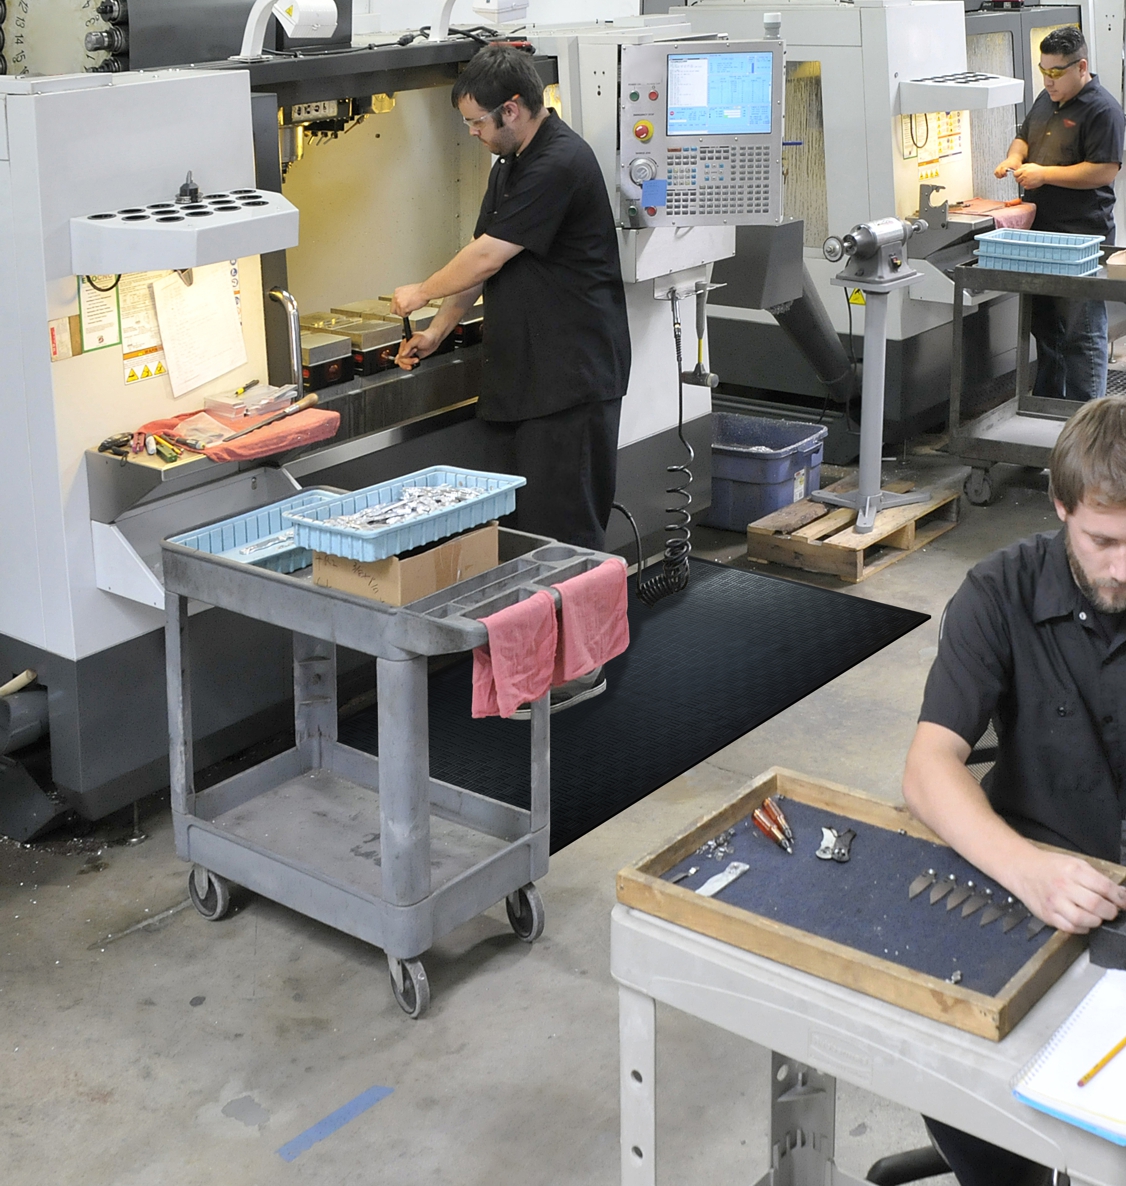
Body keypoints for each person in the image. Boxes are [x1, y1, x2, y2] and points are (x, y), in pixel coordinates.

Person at [902, 395, 1126, 1186]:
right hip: (1028, 883)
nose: (1125, 568)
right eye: (1104, 542)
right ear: (1061, 507)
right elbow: (928, 768)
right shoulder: (997, 593)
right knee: (971, 1099)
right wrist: (1026, 869)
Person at [391, 43, 631, 554]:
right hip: (531, 380)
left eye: (476, 122)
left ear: (512, 109)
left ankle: (584, 610)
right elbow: (480, 254)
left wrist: (420, 292)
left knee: (566, 538)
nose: (472, 133)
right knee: (527, 534)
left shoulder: (560, 161)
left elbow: (486, 259)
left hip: (570, 385)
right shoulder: (510, 163)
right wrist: (437, 330)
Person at [993, 26, 1125, 402]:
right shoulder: (1046, 97)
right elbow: (1024, 135)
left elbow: (1103, 171)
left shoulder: (1103, 110)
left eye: (1055, 72)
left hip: (1080, 235)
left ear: (1081, 67)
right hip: (1041, 231)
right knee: (1046, 326)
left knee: (1081, 330)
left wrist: (1044, 174)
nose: (1047, 80)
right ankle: (1048, 407)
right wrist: (1014, 158)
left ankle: (1086, 417)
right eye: (1043, 70)